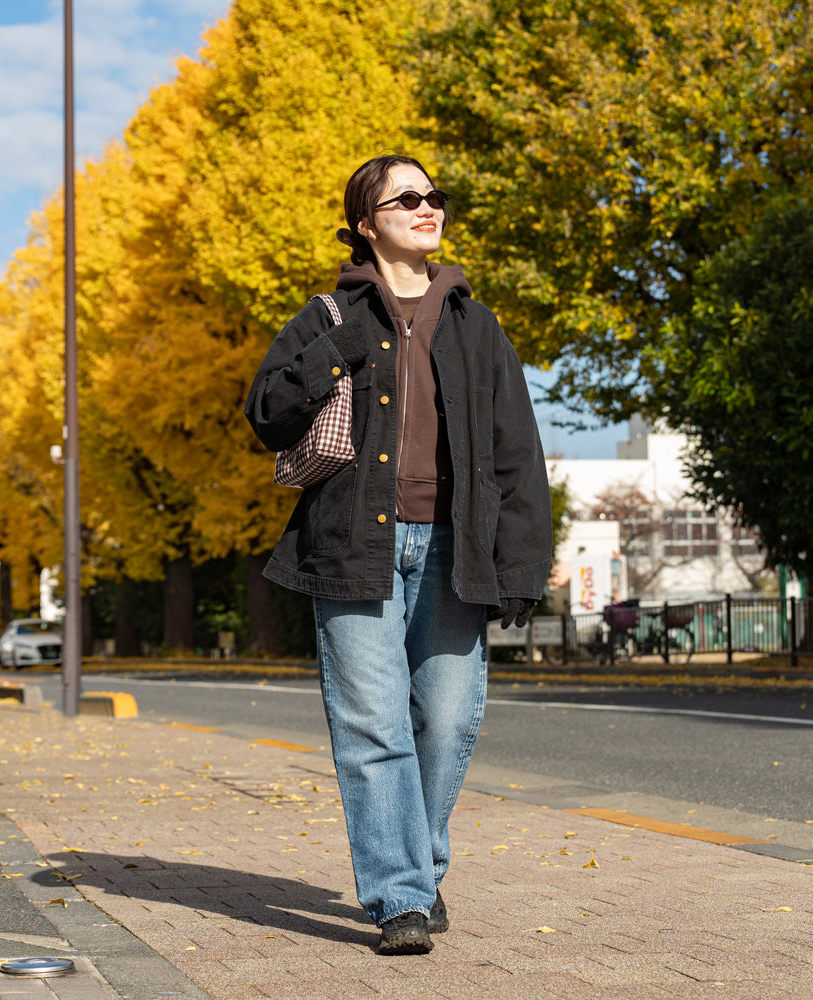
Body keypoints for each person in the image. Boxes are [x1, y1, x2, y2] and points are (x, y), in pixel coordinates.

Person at [244, 154, 552, 955]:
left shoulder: (475, 325)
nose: (428, 207)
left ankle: (419, 862)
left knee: (446, 721)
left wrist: (522, 566)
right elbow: (267, 413)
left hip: (456, 548)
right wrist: (334, 348)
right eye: (406, 198)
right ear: (365, 222)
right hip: (354, 545)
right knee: (373, 724)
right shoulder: (327, 316)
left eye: (434, 196)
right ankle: (401, 897)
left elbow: (516, 452)